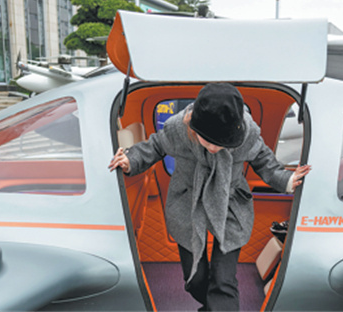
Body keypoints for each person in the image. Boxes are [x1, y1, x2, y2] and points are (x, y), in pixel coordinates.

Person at [108, 83, 311, 311]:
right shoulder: (178, 128)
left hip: (230, 202)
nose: (214, 147)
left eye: (222, 143)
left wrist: (287, 180)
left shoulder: (247, 133)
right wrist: (130, 160)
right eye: (207, 140)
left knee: (223, 281)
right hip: (187, 200)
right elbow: (153, 146)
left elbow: (266, 162)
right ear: (193, 126)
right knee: (195, 279)